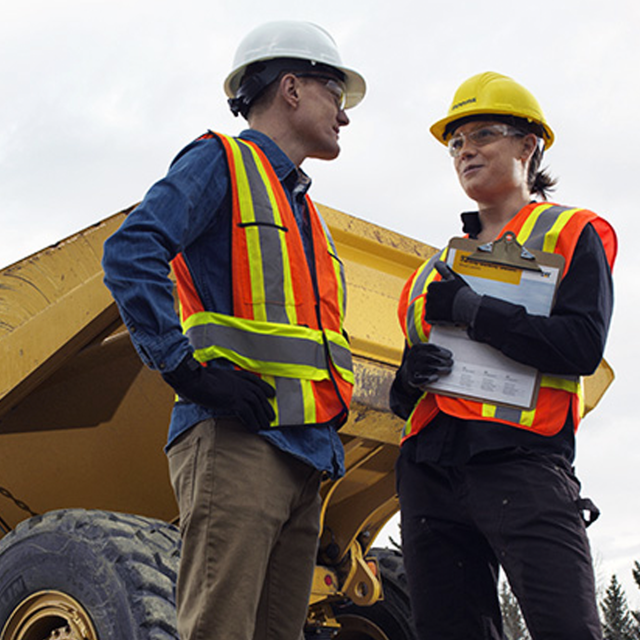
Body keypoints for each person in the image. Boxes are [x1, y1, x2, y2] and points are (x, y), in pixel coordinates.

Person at [102, 21, 365, 640]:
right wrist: (187, 370)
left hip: (303, 454)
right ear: (293, 88)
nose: (344, 117)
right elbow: (130, 252)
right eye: (336, 93)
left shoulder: (308, 215)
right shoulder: (221, 161)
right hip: (240, 444)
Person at [390, 71, 617, 639]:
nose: (466, 151)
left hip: (521, 461)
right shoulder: (432, 269)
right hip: (428, 470)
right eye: (456, 143)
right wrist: (410, 376)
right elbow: (403, 398)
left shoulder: (569, 232)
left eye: (483, 134)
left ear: (528, 145)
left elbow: (580, 348)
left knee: (567, 629)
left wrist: (473, 310)